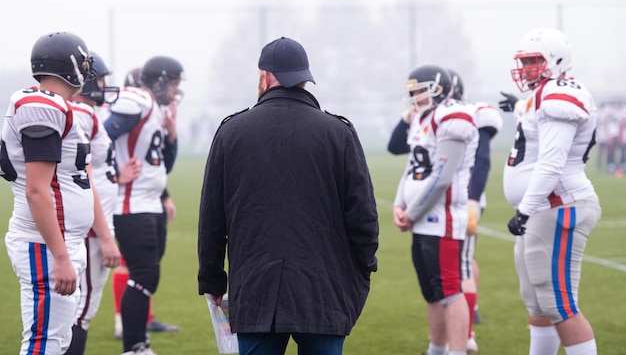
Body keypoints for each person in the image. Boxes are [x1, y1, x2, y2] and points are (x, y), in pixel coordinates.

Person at [198, 36, 379, 355]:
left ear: (265, 77)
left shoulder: (231, 132)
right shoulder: (338, 133)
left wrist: (212, 280)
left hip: (256, 291)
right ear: (305, 79)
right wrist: (363, 267)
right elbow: (363, 215)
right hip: (324, 290)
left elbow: (212, 219)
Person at [0, 31, 109, 355]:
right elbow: (37, 189)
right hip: (44, 244)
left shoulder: (57, 105)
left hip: (55, 243)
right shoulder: (40, 105)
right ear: (71, 65)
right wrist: (60, 256)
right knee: (43, 344)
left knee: (59, 341)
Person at [503, 27, 600, 355]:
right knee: (537, 302)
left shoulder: (559, 96)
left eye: (535, 60)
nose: (527, 67)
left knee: (558, 303)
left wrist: (525, 209)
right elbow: (535, 114)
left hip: (558, 204)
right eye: (525, 60)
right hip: (544, 207)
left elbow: (551, 163)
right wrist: (518, 104)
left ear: (558, 61)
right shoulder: (543, 95)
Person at [392, 65, 477, 355]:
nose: (413, 96)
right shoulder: (422, 118)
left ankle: (456, 350)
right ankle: (436, 350)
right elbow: (412, 168)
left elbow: (442, 178)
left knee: (450, 292)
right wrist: (398, 204)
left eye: (418, 89)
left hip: (442, 219)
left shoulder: (452, 116)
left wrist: (411, 212)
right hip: (421, 219)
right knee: (432, 293)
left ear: (437, 90)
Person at [104, 56, 184, 355]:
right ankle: (134, 346)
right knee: (143, 274)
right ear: (158, 81)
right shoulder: (137, 99)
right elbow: (99, 136)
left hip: (151, 203)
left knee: (148, 275)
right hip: (131, 204)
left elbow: (164, 164)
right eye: (174, 83)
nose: (176, 91)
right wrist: (114, 174)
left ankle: (140, 343)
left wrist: (171, 134)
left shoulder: (158, 110)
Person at [65, 51, 123, 355]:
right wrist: (105, 235)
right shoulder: (82, 113)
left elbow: (97, 170)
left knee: (79, 307)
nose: (105, 85)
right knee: (80, 309)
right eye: (100, 78)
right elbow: (85, 176)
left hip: (91, 220)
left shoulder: (84, 113)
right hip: (90, 226)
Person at [448, 70, 502, 353]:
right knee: (464, 260)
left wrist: (472, 200)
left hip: (462, 199)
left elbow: (482, 160)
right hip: (450, 199)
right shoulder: (439, 116)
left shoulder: (474, 114)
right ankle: (473, 311)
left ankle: (466, 335)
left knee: (461, 265)